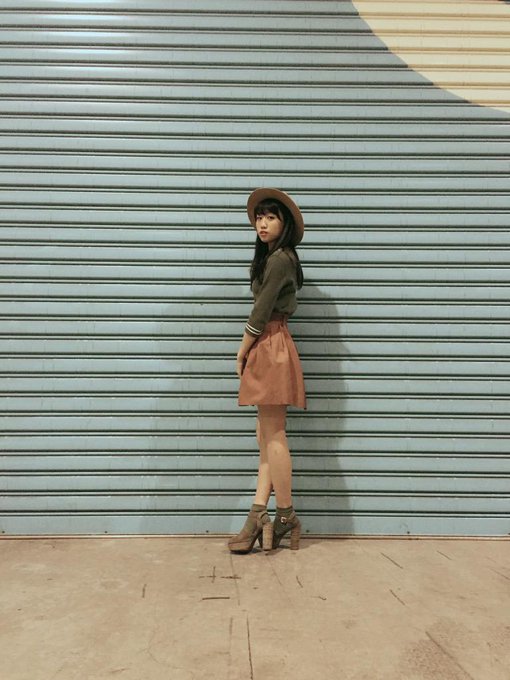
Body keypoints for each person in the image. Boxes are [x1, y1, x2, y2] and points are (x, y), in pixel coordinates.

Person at [228, 188, 307, 554]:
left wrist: (241, 351)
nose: (262, 223)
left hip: (270, 343)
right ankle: (259, 513)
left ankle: (286, 513)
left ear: (284, 223)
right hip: (272, 343)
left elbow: (260, 312)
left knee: (273, 435)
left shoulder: (279, 260)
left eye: (271, 217)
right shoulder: (276, 258)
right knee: (266, 434)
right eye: (259, 217)